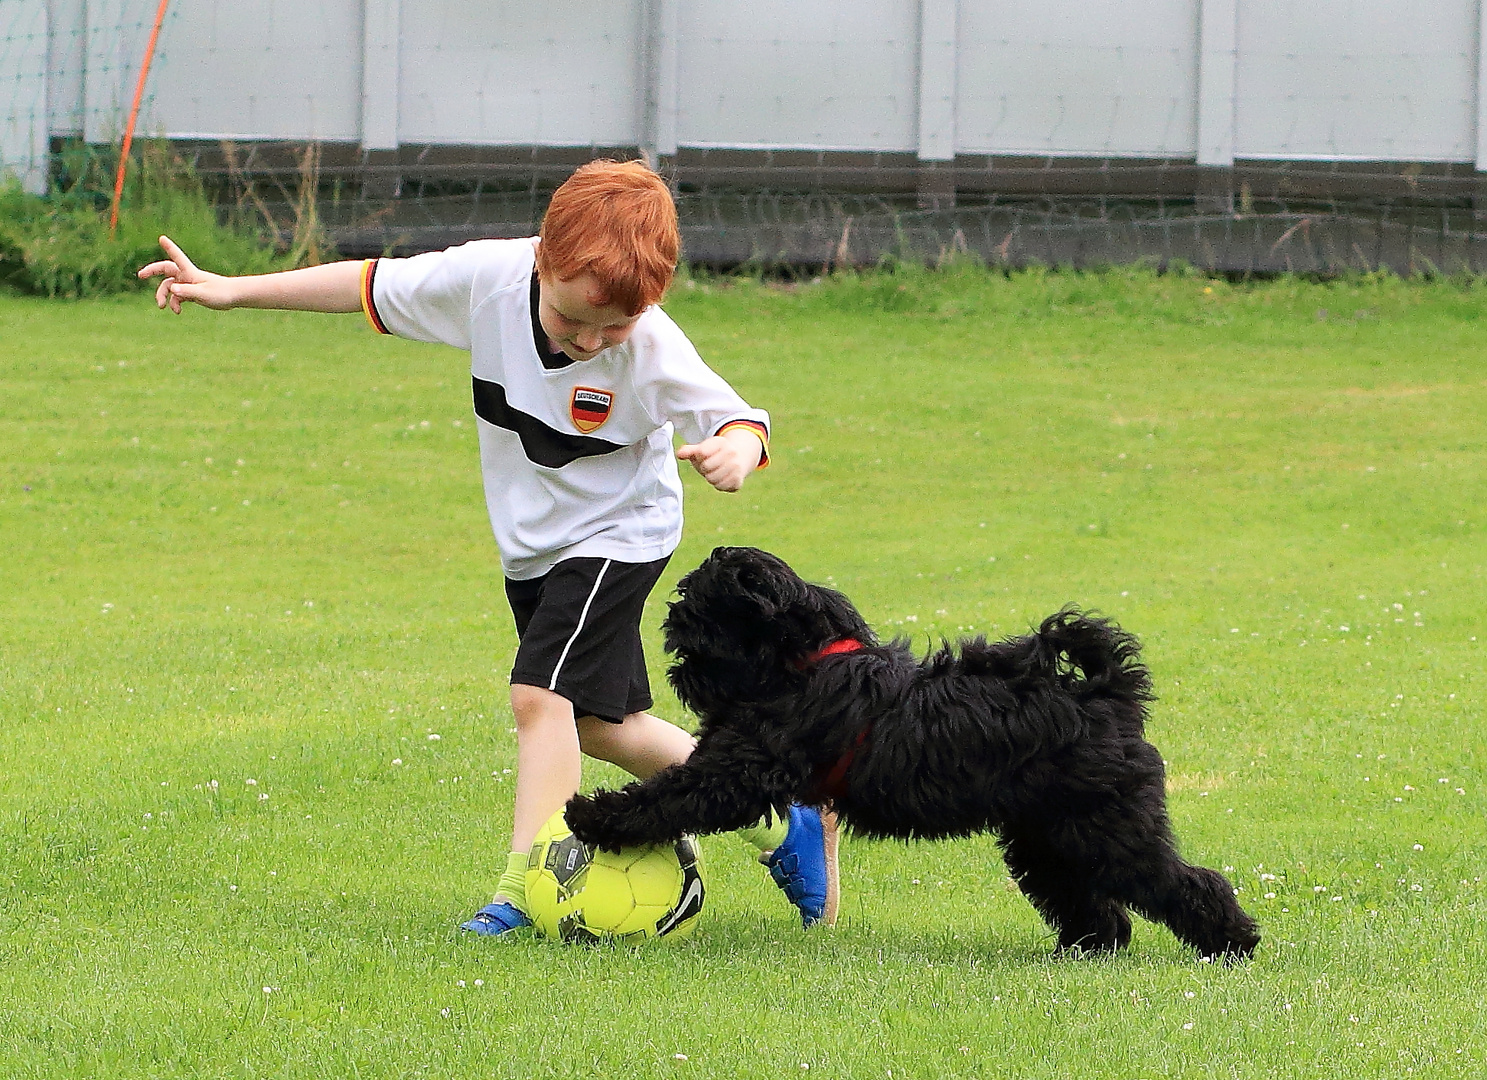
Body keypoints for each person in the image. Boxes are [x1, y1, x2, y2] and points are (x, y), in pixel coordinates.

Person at [138, 158, 839, 934]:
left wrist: (735, 451)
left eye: (615, 327)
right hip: (533, 547)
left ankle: (522, 890)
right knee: (600, 728)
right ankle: (782, 815)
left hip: (619, 536)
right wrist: (234, 289)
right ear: (542, 261)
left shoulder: (651, 347)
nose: (591, 341)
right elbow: (365, 284)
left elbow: (736, 418)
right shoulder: (486, 280)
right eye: (573, 320)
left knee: (539, 699)